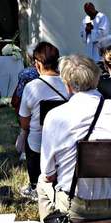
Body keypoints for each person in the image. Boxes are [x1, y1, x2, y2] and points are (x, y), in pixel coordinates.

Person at [37, 55, 111, 223]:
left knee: (42, 183)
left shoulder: (55, 116)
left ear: (67, 85)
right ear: (97, 79)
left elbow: (48, 174)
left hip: (77, 205)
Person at [17, 42, 69, 201]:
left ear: (38, 64)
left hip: (38, 145)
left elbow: (24, 122)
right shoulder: (68, 85)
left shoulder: (31, 87)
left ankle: (34, 184)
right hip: (65, 142)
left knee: (28, 135)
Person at [11, 42, 39, 115]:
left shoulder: (25, 73)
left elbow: (19, 94)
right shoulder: (53, 72)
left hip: (29, 105)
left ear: (29, 57)